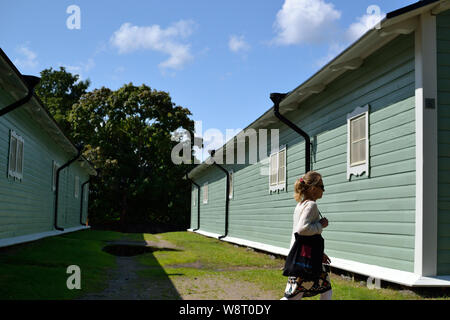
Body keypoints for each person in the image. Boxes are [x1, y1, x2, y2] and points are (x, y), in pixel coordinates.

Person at [280, 171, 333, 300]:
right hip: (305, 259)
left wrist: (320, 254)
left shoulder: (300, 205)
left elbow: (307, 237)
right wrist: (321, 225)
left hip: (301, 255)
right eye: (322, 186)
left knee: (298, 293)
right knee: (323, 291)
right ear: (313, 188)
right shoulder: (311, 205)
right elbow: (302, 230)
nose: (323, 190)